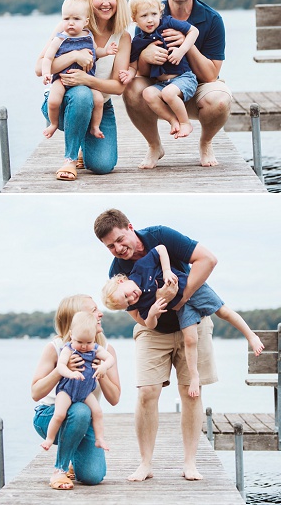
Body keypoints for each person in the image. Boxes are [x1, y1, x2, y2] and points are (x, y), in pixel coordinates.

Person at [93, 208, 218, 482]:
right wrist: (152, 315)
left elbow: (208, 260)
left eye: (119, 240)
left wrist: (179, 298)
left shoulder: (160, 236)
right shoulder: (117, 272)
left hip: (192, 322)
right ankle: (145, 464)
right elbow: (138, 317)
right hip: (154, 330)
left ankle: (190, 463)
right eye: (110, 246)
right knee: (147, 392)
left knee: (190, 392)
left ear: (130, 227)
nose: (117, 248)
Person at [102, 243, 264, 398]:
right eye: (128, 303)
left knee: (223, 312)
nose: (132, 298)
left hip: (192, 288)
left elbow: (160, 249)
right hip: (182, 307)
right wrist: (152, 314)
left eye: (126, 295)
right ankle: (194, 377)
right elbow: (150, 324)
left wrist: (166, 270)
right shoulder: (143, 304)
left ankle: (251, 336)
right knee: (190, 339)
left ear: (122, 281)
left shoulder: (140, 268)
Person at [123, 0, 232, 168]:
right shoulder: (150, 13)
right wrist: (145, 55)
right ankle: (155, 145)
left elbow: (211, 75)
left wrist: (186, 45)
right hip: (162, 85)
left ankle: (206, 142)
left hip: (197, 85)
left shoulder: (212, 19)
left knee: (220, 100)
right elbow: (141, 71)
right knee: (132, 88)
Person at [34, 0, 132, 181]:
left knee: (103, 165)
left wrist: (87, 79)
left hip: (99, 105)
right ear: (89, 0)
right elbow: (39, 68)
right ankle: (69, 160)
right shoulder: (68, 27)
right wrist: (74, 55)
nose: (106, 3)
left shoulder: (122, 37)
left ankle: (83, 144)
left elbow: (118, 87)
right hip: (63, 102)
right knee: (81, 94)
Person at [31, 294, 121, 490]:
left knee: (93, 476)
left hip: (83, 418)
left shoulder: (104, 350)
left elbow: (114, 399)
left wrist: (100, 370)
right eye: (94, 311)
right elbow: (35, 393)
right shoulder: (56, 348)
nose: (101, 314)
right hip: (50, 415)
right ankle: (59, 470)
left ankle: (74, 456)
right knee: (80, 410)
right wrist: (61, 369)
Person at [122, 0, 200, 139]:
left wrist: (181, 50)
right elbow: (133, 66)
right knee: (148, 93)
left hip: (184, 78)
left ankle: (185, 123)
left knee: (168, 93)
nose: (150, 20)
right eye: (144, 16)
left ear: (160, 12)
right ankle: (173, 120)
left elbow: (194, 31)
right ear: (134, 19)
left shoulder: (168, 22)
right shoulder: (138, 41)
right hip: (162, 83)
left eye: (154, 14)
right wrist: (128, 74)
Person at [41, 0, 118, 140]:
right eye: (66, 18)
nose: (70, 23)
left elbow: (97, 52)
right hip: (62, 79)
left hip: (85, 81)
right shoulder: (60, 38)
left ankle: (95, 127)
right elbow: (48, 58)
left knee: (99, 100)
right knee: (53, 100)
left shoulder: (88, 36)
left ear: (85, 21)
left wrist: (107, 51)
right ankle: (53, 124)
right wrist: (46, 73)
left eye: (76, 19)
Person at [40, 311, 114, 452]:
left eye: (89, 342)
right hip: (67, 390)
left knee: (97, 412)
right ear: (71, 334)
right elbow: (61, 366)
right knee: (59, 414)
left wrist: (104, 367)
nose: (84, 346)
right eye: (80, 342)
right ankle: (49, 439)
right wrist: (71, 373)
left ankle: (100, 439)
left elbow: (110, 359)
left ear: (94, 338)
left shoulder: (95, 349)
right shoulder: (68, 349)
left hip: (84, 392)